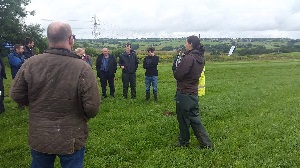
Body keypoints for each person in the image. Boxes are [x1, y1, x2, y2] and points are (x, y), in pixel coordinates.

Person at [10, 21, 101, 167]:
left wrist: (35, 102)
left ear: (49, 39)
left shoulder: (31, 63)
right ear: (71, 39)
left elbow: (15, 94)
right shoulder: (82, 68)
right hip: (72, 134)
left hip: (40, 134)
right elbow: (92, 107)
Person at [173, 35, 213, 149]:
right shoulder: (201, 58)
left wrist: (177, 67)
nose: (185, 44)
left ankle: (183, 141)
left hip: (184, 92)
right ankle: (206, 144)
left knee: (183, 118)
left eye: (186, 42)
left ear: (190, 44)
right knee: (195, 119)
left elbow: (178, 74)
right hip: (193, 92)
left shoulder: (189, 58)